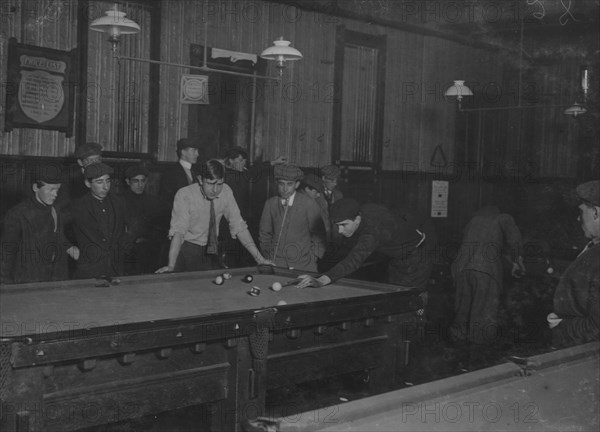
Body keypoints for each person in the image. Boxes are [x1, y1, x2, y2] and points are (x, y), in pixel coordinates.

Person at [156, 159, 271, 273]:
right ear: (200, 179)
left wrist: (260, 259)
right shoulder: (184, 194)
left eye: (220, 184)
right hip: (186, 251)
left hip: (211, 252)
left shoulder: (226, 191)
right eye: (211, 184)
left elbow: (239, 227)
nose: (215, 190)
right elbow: (179, 232)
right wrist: (171, 265)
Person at [297, 198, 434, 291]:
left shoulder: (372, 231)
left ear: (357, 219)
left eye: (344, 225)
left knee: (407, 304)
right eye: (337, 225)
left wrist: (321, 280)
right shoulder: (362, 212)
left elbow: (353, 260)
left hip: (416, 259)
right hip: (397, 257)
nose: (339, 230)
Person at [449, 205, 525, 346]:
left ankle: (457, 353)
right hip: (485, 271)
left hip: (461, 270)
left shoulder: (474, 220)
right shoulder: (504, 218)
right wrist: (517, 261)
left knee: (462, 314)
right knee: (483, 318)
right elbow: (514, 239)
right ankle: (479, 358)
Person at [1, 166, 79, 284]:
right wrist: (5, 284)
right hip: (28, 280)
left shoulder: (55, 211)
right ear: (35, 188)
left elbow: (55, 236)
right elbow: (7, 253)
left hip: (54, 277)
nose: (55, 194)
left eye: (58, 190)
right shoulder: (16, 214)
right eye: (51, 189)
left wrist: (70, 248)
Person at [547, 180, 600, 347]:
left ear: (596, 213)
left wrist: (560, 326)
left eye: (581, 211)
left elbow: (596, 328)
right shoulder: (593, 248)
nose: (578, 218)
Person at [218, 146, 286, 267]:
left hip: (241, 220)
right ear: (231, 160)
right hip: (225, 221)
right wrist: (222, 162)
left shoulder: (243, 173)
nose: (243, 163)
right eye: (240, 160)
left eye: (244, 160)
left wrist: (274, 162)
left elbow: (256, 169)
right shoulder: (223, 175)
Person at [71, 163, 136, 279]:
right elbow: (56, 227)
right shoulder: (77, 206)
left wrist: (124, 246)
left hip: (117, 268)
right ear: (88, 183)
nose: (106, 187)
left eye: (108, 181)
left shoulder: (119, 202)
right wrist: (69, 248)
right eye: (99, 182)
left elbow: (133, 226)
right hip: (89, 270)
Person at [259, 165, 326, 272]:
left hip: (304, 266)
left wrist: (314, 257)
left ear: (297, 184)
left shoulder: (309, 204)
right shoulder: (270, 204)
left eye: (289, 184)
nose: (285, 189)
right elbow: (264, 234)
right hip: (276, 265)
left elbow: (320, 236)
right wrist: (268, 255)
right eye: (281, 184)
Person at [121, 164, 165, 275]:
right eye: (135, 181)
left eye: (143, 181)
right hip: (128, 254)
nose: (140, 185)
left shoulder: (154, 202)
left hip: (150, 252)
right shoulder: (119, 201)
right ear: (127, 181)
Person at [299, 173, 330, 240]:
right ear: (307, 189)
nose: (318, 195)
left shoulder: (316, 199)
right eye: (316, 192)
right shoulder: (304, 202)